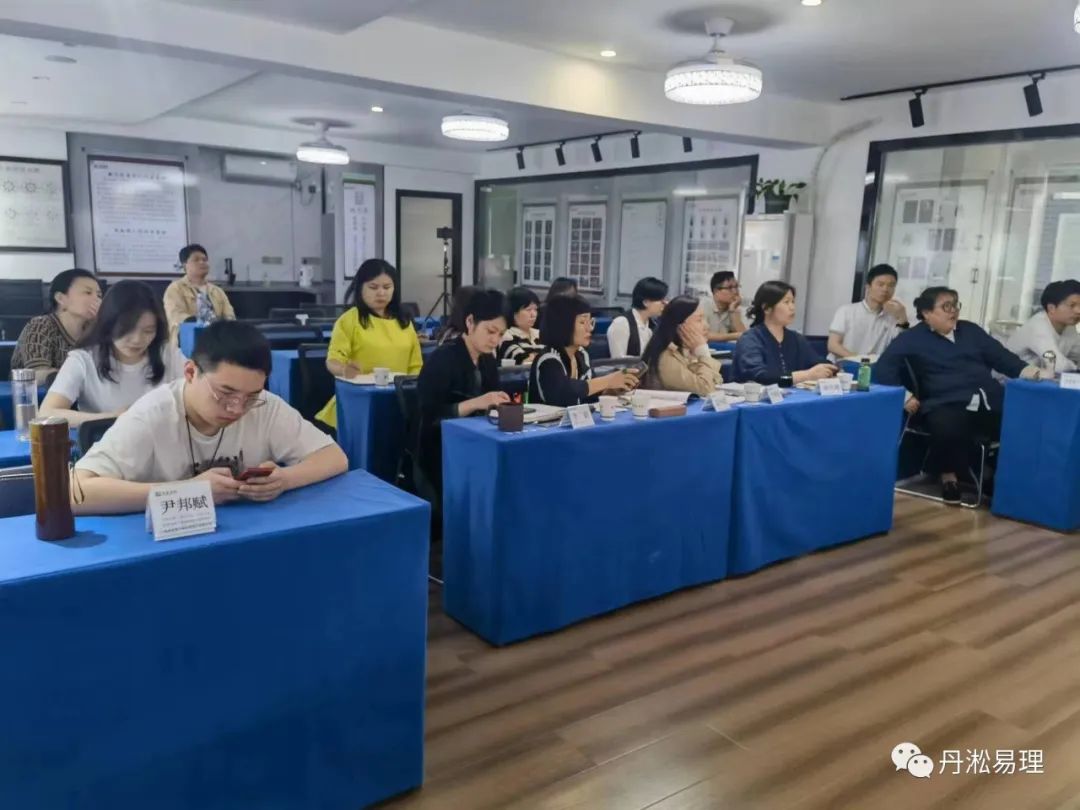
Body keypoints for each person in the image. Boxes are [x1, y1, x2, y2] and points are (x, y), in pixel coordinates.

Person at [71, 320, 347, 515]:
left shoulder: (265, 406)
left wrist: (285, 479)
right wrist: (185, 491)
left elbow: (334, 456)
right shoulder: (151, 416)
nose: (237, 408)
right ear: (191, 372)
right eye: (225, 393)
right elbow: (74, 493)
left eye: (251, 396)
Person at [876, 286, 1045, 504]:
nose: (953, 311)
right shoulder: (911, 338)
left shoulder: (971, 331)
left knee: (1026, 421)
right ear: (927, 313)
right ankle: (949, 476)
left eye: (955, 305)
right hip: (943, 402)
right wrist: (905, 396)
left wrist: (1033, 372)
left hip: (988, 398)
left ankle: (1002, 478)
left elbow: (1003, 358)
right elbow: (883, 368)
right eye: (946, 306)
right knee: (948, 426)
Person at [40, 280, 186, 427]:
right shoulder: (84, 359)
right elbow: (47, 413)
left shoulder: (169, 355)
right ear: (108, 324)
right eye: (126, 330)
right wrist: (111, 418)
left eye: (148, 331)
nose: (137, 339)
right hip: (105, 438)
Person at [417, 289, 510, 493]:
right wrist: (477, 403)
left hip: (478, 442)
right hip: (442, 451)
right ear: (470, 322)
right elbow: (429, 416)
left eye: (501, 334)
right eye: (490, 331)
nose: (495, 340)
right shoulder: (443, 359)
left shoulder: (488, 360)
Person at [315, 259, 423, 429]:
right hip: (359, 402)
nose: (381, 293)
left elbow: (416, 366)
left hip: (398, 402)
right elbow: (333, 360)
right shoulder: (349, 320)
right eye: (373, 287)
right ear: (360, 288)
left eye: (387, 287)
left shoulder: (404, 321)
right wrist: (344, 369)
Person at [529, 295, 637, 406]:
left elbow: (587, 395)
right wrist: (608, 381)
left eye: (590, 322)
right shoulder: (549, 358)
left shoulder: (581, 354)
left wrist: (612, 390)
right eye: (582, 322)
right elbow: (563, 392)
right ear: (563, 325)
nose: (589, 328)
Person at [732, 281, 837, 386]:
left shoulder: (796, 338)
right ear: (766, 308)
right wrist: (806, 375)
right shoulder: (751, 339)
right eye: (786, 302)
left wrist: (831, 368)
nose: (792, 307)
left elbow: (816, 362)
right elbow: (761, 377)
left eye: (793, 302)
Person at [11, 268, 101, 385]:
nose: (97, 299)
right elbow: (37, 374)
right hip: (33, 394)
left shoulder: (95, 328)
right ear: (61, 298)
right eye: (88, 293)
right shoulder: (40, 326)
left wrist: (103, 323)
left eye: (99, 295)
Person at [642, 296, 723, 396]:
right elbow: (705, 389)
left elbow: (716, 382)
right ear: (679, 326)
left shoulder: (689, 352)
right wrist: (704, 353)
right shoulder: (666, 357)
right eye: (699, 320)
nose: (706, 326)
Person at [827, 263, 909, 361]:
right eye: (880, 284)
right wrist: (860, 361)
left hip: (874, 367)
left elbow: (901, 348)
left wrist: (903, 318)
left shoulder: (893, 318)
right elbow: (833, 345)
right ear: (868, 287)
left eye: (891, 285)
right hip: (842, 365)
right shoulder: (846, 311)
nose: (885, 289)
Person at [163, 244, 236, 345]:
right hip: (186, 343)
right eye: (196, 260)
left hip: (216, 343)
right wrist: (201, 323)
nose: (202, 262)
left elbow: (230, 316)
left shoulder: (217, 291)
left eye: (204, 260)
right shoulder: (175, 288)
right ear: (185, 265)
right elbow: (175, 315)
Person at [1006, 279, 1080, 373]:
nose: (1078, 311)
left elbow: (1077, 353)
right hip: (1008, 379)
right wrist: (1075, 368)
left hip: (1038, 378)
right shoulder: (1038, 327)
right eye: (1072, 305)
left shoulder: (1069, 326)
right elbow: (1058, 365)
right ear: (1051, 308)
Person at [606, 276, 668, 358]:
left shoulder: (653, 325)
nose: (666, 304)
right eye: (662, 301)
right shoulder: (622, 323)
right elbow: (618, 360)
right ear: (646, 302)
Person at [498, 286, 542, 365]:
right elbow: (522, 360)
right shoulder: (507, 336)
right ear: (514, 313)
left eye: (535, 309)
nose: (533, 314)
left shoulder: (540, 334)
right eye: (528, 310)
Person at [704, 271, 747, 343]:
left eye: (736, 287)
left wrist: (733, 311)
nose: (735, 292)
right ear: (716, 291)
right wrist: (733, 336)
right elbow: (703, 335)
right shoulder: (703, 306)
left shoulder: (733, 308)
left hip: (721, 348)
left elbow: (746, 338)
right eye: (730, 288)